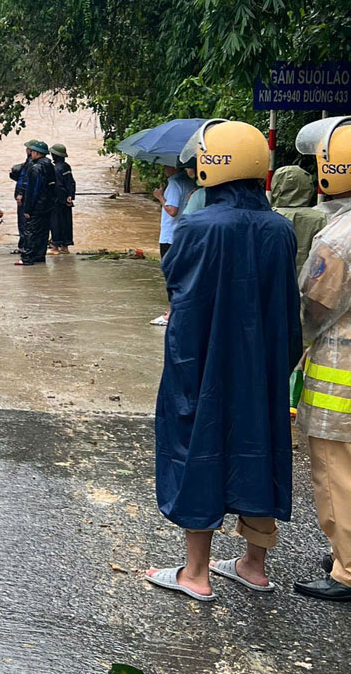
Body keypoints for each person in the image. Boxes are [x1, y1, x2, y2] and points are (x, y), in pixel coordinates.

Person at [145, 120, 301, 602]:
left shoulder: (198, 227)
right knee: (260, 446)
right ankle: (254, 565)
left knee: (200, 447)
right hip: (264, 365)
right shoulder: (281, 229)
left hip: (207, 361)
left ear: (211, 166)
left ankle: (196, 573)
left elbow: (181, 293)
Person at [292, 117, 351, 601]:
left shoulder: (337, 239)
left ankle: (346, 568)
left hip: (340, 377)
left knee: (336, 472)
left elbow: (313, 306)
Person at [150, 163, 197, 325]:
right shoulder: (190, 182)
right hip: (185, 234)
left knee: (171, 275)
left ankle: (172, 312)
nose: (164, 168)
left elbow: (172, 210)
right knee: (184, 274)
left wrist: (160, 197)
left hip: (170, 236)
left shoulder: (175, 183)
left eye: (167, 165)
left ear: (174, 167)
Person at [269, 164, 327, 275]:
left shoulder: (268, 218)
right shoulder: (321, 218)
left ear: (276, 186)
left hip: (275, 280)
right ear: (308, 186)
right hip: (311, 280)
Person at [15, 141, 56, 266]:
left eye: (32, 151)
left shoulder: (36, 168)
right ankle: (39, 256)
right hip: (47, 205)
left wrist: (28, 209)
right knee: (43, 232)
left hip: (37, 206)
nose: (30, 153)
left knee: (31, 231)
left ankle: (27, 258)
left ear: (37, 153)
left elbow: (33, 190)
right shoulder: (49, 166)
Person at [49, 143, 75, 254]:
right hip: (67, 200)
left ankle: (55, 246)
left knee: (56, 222)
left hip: (57, 200)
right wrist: (70, 196)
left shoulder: (55, 169)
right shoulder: (66, 167)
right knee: (66, 222)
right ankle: (65, 246)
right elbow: (71, 182)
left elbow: (58, 186)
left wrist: (62, 198)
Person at [8, 142, 34, 255]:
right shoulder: (31, 163)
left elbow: (24, 181)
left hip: (25, 197)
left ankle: (24, 246)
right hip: (30, 197)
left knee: (24, 223)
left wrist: (20, 194)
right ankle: (25, 245)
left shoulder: (30, 164)